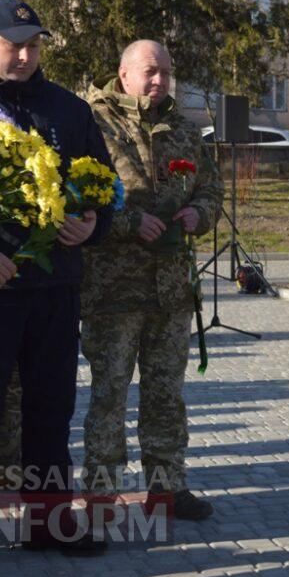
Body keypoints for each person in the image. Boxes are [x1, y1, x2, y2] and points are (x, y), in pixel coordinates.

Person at [0, 0, 114, 576]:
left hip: (54, 288)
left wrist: (92, 222)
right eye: (14, 43)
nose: (26, 54)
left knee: (51, 411)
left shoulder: (66, 107)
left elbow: (104, 184)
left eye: (35, 44)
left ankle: (48, 523)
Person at [80, 40, 222, 521]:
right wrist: (126, 224)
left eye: (166, 71)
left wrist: (196, 214)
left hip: (171, 289)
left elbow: (211, 189)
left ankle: (167, 486)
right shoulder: (93, 124)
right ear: (123, 74)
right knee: (109, 395)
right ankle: (102, 492)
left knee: (165, 394)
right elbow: (76, 196)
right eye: (149, 71)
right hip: (113, 289)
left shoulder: (184, 129)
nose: (159, 80)